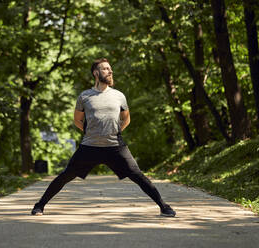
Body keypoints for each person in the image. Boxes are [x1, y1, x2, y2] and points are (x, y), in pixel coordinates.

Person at [31, 58, 176, 217]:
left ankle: (163, 206)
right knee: (66, 175)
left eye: (110, 69)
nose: (110, 71)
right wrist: (90, 133)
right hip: (90, 147)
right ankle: (39, 206)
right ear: (96, 73)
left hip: (115, 146)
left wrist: (115, 131)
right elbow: (77, 120)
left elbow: (126, 119)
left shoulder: (119, 96)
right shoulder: (85, 96)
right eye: (106, 69)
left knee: (138, 175)